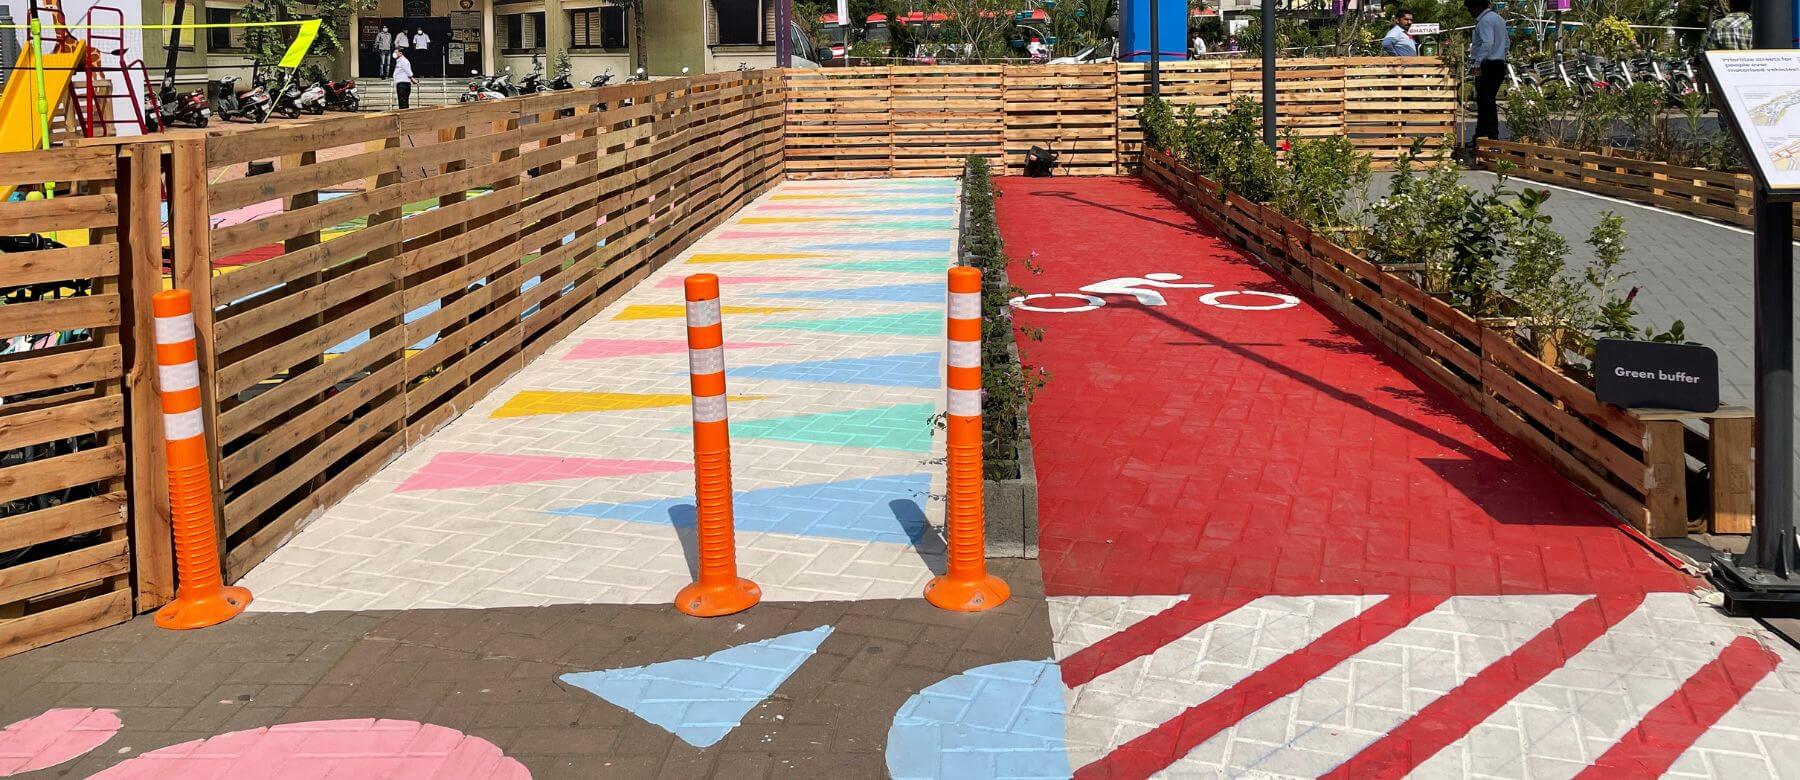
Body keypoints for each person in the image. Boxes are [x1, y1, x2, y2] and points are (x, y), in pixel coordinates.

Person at [1466, 0, 1508, 144]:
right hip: (1499, 63)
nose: (1470, 12)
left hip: (1487, 65)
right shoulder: (1499, 19)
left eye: (1470, 8)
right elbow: (1507, 42)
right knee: (1485, 101)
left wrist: (1477, 62)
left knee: (1486, 102)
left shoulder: (1484, 21)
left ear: (1477, 6)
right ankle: (1481, 136)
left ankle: (1491, 136)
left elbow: (1487, 43)